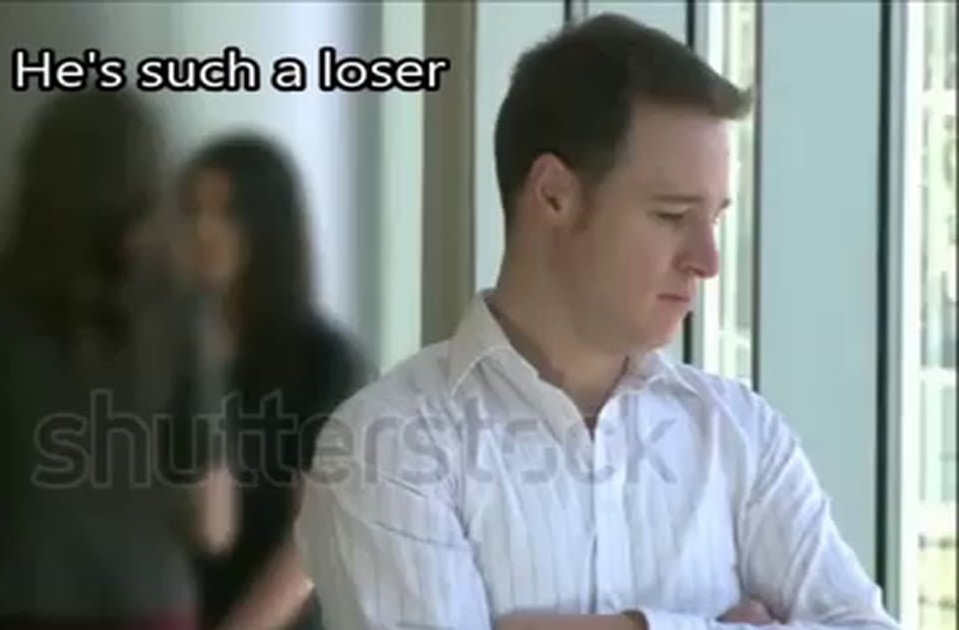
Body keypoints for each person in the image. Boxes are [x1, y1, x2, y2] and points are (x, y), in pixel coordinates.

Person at [295, 14, 900, 630]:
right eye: (672, 216)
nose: (708, 260)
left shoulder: (741, 434)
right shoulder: (388, 445)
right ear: (554, 195)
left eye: (714, 219)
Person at [0, 90, 235, 630]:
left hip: (8, 596)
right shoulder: (183, 311)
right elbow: (214, 526)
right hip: (148, 600)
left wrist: (17, 512)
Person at [179, 133, 370, 630]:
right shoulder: (166, 348)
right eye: (193, 211)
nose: (203, 231)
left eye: (225, 213)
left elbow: (311, 538)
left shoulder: (324, 360)